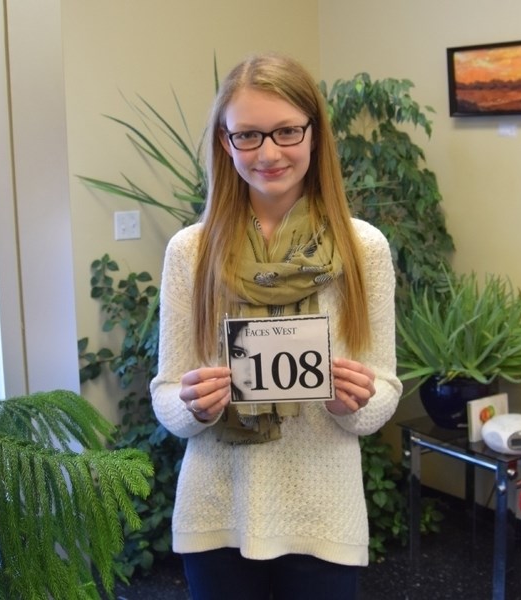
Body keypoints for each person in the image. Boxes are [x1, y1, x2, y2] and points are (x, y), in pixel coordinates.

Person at [150, 52, 402, 600]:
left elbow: (384, 391)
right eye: (248, 136)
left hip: (322, 513)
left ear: (314, 134)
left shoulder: (364, 249)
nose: (269, 152)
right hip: (218, 507)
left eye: (287, 131)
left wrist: (354, 402)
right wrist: (191, 404)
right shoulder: (190, 253)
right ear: (225, 142)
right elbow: (167, 396)